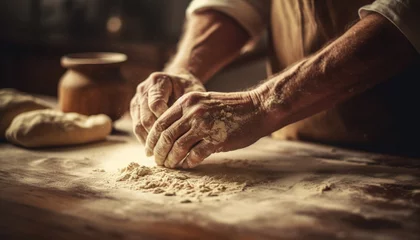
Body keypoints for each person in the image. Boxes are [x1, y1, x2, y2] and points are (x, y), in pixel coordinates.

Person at [130, 0, 420, 169]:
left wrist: (263, 103)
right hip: (293, 151)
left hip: (402, 148)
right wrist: (184, 69)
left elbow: (407, 14)